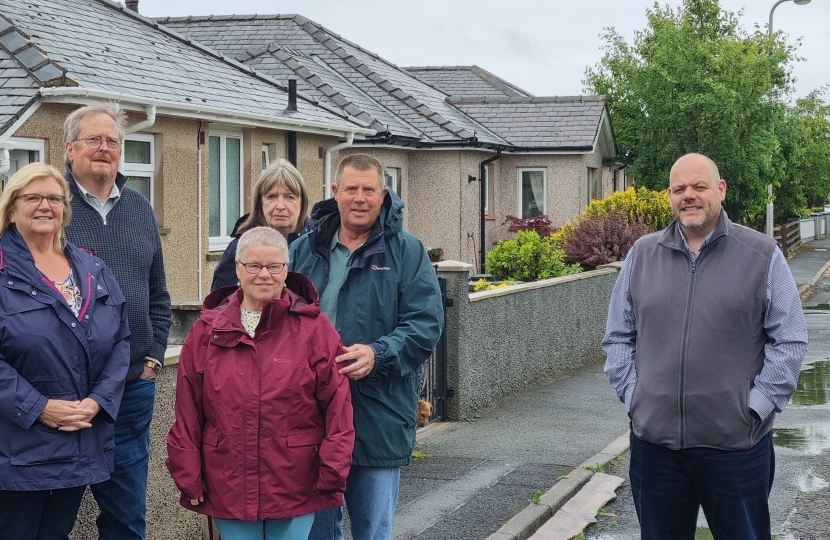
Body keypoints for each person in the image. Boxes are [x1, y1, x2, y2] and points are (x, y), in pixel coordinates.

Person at [602, 153, 808, 540]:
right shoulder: (642, 255)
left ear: (720, 189)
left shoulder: (762, 255)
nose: (689, 195)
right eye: (679, 188)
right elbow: (617, 336)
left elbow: (791, 338)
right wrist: (635, 397)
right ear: (669, 196)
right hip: (656, 449)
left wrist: (755, 407)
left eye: (699, 186)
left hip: (736, 447)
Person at [290, 153, 444, 540]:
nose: (360, 198)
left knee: (372, 530)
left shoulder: (408, 252)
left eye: (369, 190)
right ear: (335, 192)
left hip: (377, 412)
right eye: (352, 189)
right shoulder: (302, 251)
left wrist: (379, 354)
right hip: (312, 415)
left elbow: (426, 324)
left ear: (384, 194)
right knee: (316, 533)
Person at [167, 226, 354, 540]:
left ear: (286, 269)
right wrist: (188, 473)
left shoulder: (315, 330)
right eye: (254, 265)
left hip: (295, 481)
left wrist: (333, 471)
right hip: (228, 481)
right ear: (238, 269)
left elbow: (338, 408)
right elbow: (188, 411)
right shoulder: (207, 331)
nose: (264, 274)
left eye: (274, 266)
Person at [0, 163, 130, 540]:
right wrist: (38, 407)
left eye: (55, 198)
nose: (45, 206)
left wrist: (98, 401)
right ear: (11, 207)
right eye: (33, 198)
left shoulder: (91, 268)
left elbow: (121, 338)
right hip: (17, 448)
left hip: (79, 440)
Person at [63, 103, 172, 540]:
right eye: (94, 139)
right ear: (69, 149)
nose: (104, 148)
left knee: (127, 520)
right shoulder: (50, 206)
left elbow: (160, 297)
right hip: (64, 395)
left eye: (112, 141)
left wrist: (153, 358)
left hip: (130, 391)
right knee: (49, 521)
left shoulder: (140, 208)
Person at [211, 158, 309, 291]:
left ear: (302, 203)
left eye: (289, 197)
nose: (280, 206)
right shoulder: (239, 248)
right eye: (271, 197)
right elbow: (220, 305)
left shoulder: (318, 245)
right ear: (260, 203)